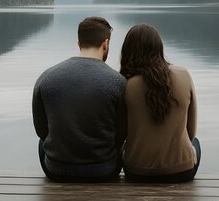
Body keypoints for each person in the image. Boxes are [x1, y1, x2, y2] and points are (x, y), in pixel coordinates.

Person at [32, 16, 126, 182]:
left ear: (79, 44)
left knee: (42, 143)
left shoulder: (46, 78)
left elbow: (41, 131)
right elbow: (122, 134)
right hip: (104, 171)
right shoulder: (118, 82)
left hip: (56, 170)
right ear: (106, 44)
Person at [120, 23, 200, 183]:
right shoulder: (184, 75)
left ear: (128, 51)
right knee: (196, 143)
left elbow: (121, 133)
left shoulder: (125, 84)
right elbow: (191, 132)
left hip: (136, 172)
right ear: (159, 48)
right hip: (181, 171)